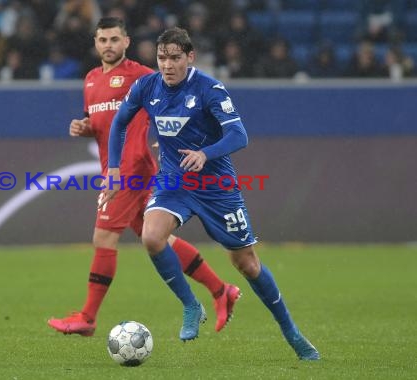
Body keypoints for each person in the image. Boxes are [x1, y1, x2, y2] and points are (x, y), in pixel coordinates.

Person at [101, 26, 319, 360]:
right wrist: (114, 169)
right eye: (162, 58)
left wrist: (206, 153)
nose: (168, 65)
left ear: (190, 57)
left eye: (175, 58)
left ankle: (292, 333)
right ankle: (191, 305)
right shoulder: (146, 86)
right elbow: (120, 123)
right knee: (151, 236)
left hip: (217, 188)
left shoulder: (209, 89)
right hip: (174, 182)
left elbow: (239, 135)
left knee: (246, 263)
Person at [47, 17, 241, 337]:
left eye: (114, 39)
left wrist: (172, 133)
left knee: (104, 237)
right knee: (157, 238)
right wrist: (85, 128)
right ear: (95, 43)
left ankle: (88, 317)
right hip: (118, 167)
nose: (108, 45)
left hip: (132, 169)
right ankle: (221, 290)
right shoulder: (92, 79)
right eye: (102, 40)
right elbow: (106, 124)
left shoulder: (141, 75)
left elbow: (172, 96)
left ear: (126, 42)